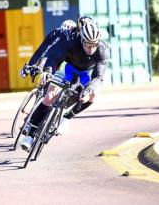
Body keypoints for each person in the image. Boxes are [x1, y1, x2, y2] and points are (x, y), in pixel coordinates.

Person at [20, 18, 110, 151]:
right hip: (68, 68)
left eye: (94, 45)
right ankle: (30, 135)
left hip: (85, 73)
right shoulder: (70, 41)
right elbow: (54, 58)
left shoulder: (102, 49)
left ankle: (67, 117)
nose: (91, 49)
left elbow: (98, 76)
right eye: (88, 45)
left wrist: (89, 89)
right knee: (50, 95)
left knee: (93, 96)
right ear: (81, 40)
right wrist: (47, 72)